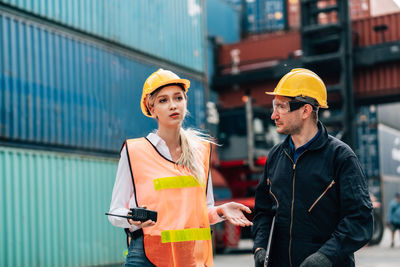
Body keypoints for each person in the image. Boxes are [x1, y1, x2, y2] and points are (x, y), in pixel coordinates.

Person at [108, 68, 252, 267]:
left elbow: (203, 211)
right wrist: (133, 220)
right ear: (151, 109)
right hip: (145, 256)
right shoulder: (134, 151)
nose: (173, 105)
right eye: (163, 100)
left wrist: (221, 211)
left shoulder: (201, 152)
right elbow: (115, 211)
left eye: (178, 98)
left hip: (188, 256)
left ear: (185, 102)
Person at [252, 68, 373, 267]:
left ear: (306, 111)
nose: (274, 115)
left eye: (281, 107)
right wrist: (260, 247)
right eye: (274, 107)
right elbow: (263, 211)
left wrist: (324, 257)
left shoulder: (341, 157)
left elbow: (359, 219)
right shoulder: (275, 156)